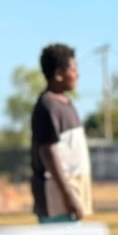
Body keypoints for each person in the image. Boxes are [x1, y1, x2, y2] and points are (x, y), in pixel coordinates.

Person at [30, 43, 93, 224]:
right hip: (56, 199)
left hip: (73, 191)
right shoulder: (47, 107)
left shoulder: (66, 104)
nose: (77, 75)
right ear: (58, 74)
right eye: (73, 69)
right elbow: (48, 153)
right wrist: (68, 196)